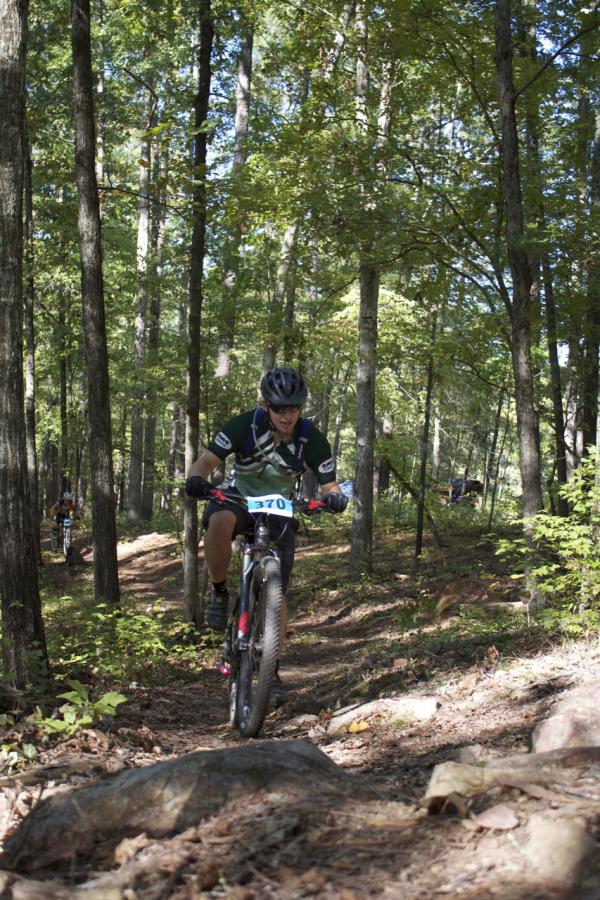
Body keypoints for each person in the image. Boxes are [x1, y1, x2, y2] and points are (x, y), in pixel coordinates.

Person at [185, 367, 348, 704]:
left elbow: (330, 484)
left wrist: (335, 497)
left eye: (294, 408)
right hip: (239, 496)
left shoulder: (311, 438)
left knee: (278, 595)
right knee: (219, 522)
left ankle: (270, 669)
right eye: (279, 408)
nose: (287, 415)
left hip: (278, 508)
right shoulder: (244, 425)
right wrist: (197, 479)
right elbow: (206, 461)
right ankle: (219, 591)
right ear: (266, 405)